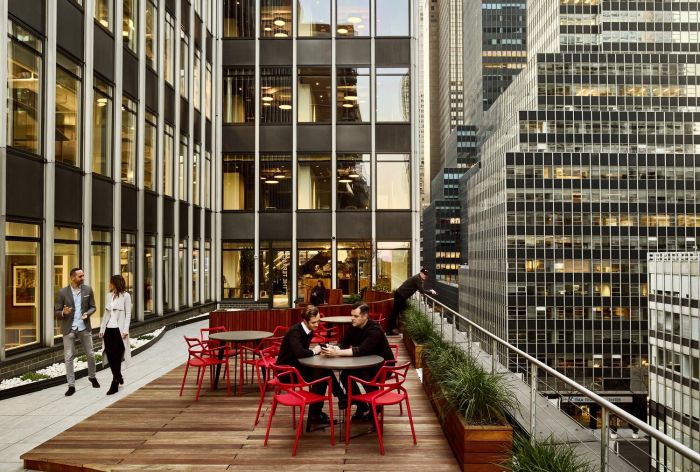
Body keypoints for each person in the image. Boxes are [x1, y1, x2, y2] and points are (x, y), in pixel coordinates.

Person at [321, 302, 394, 421]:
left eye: (355, 316)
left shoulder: (375, 329)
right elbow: (343, 343)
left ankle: (375, 410)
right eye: (352, 315)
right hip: (365, 364)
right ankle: (361, 405)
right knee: (345, 375)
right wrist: (334, 348)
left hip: (383, 366)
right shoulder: (353, 327)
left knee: (367, 378)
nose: (352, 318)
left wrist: (337, 353)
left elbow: (361, 350)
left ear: (365, 316)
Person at [276, 305, 345, 424]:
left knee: (323, 371)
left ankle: (318, 412)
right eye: (314, 322)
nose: (317, 325)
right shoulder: (295, 332)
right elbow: (300, 353)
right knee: (321, 374)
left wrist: (323, 348)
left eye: (318, 321)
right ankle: (330, 403)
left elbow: (302, 353)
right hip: (287, 372)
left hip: (297, 366)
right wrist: (314, 351)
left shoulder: (308, 330)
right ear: (305, 320)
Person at [54, 268, 100, 396]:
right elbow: (56, 312)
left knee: (91, 354)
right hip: (69, 328)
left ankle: (92, 377)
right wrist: (63, 312)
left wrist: (87, 314)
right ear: (72, 277)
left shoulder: (88, 290)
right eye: (80, 276)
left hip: (84, 327)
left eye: (83, 275)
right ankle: (71, 385)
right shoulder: (63, 292)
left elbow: (93, 307)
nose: (83, 278)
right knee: (68, 357)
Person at [99, 275, 132, 395]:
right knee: (110, 355)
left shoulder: (126, 296)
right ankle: (118, 375)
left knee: (117, 357)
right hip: (109, 330)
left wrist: (125, 330)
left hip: (119, 331)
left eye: (111, 282)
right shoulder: (109, 295)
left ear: (115, 283)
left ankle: (115, 382)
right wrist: (102, 328)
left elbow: (128, 314)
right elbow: (106, 314)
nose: (109, 284)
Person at [386, 268, 437, 335]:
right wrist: (431, 292)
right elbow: (422, 291)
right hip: (400, 296)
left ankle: (393, 330)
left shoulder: (418, 278)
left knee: (398, 312)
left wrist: (428, 290)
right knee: (397, 313)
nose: (425, 276)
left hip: (400, 295)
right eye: (424, 274)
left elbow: (420, 289)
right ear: (421, 273)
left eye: (426, 275)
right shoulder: (417, 279)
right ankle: (391, 331)